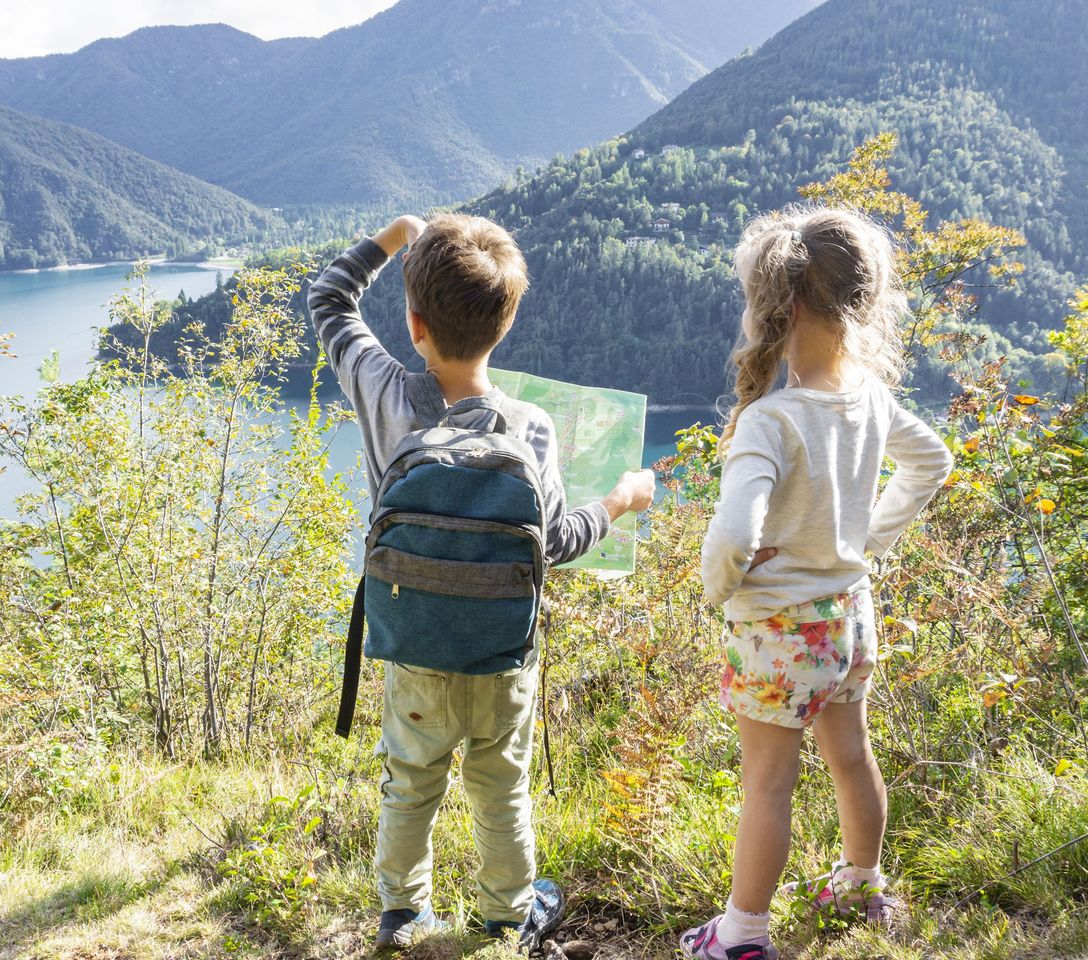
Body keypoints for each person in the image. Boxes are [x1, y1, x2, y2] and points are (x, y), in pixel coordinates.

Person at [308, 213, 655, 951]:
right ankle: (508, 916)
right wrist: (622, 501)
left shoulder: (383, 392)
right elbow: (558, 542)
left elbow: (330, 300)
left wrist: (396, 237)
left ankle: (402, 914)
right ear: (509, 320)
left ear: (414, 323)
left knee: (411, 783)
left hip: (413, 645)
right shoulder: (529, 426)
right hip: (504, 656)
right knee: (502, 790)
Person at [681, 207, 953, 960]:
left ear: (781, 304)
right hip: (849, 616)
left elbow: (732, 537)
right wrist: (868, 540)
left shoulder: (770, 421)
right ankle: (863, 883)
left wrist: (718, 590)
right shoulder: (866, 396)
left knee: (768, 784)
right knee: (851, 756)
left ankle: (740, 936)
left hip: (778, 630)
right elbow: (932, 462)